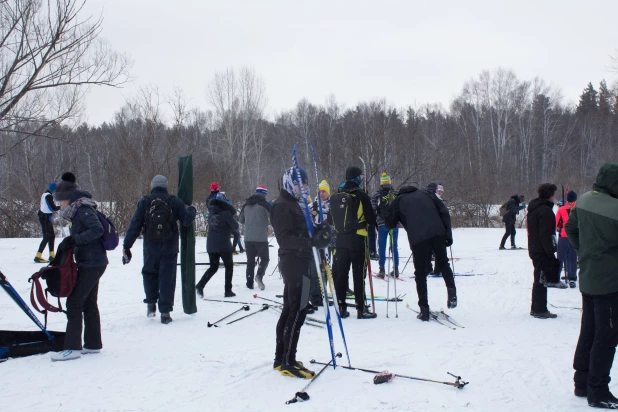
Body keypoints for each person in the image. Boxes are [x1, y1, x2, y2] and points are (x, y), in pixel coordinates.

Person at [566, 163, 618, 407]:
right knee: (606, 336)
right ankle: (597, 390)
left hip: (587, 278)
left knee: (588, 330)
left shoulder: (583, 200)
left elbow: (569, 228)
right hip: (609, 283)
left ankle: (581, 382)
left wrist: (583, 251)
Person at [271, 166, 329, 378]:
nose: (302, 188)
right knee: (298, 310)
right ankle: (288, 360)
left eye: (304, 184)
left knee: (290, 310)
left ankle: (282, 357)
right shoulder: (281, 205)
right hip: (293, 262)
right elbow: (285, 238)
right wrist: (309, 242)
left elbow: (303, 230)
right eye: (298, 184)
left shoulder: (294, 204)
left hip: (300, 260)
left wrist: (320, 231)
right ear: (289, 182)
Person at [50, 172, 108, 361]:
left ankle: (73, 348)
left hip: (92, 263)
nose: (59, 205)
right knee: (88, 302)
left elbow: (97, 229)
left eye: (60, 201)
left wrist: (75, 239)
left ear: (67, 198)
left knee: (74, 302)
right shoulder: (78, 208)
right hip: (92, 261)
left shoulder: (82, 209)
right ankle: (92, 344)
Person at [123, 175, 197, 324]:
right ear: (166, 186)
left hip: (150, 246)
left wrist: (127, 245)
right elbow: (187, 220)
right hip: (170, 247)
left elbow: (135, 224)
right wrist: (193, 209)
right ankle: (165, 312)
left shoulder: (145, 201)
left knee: (149, 274)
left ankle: (151, 304)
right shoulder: (174, 201)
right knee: (167, 278)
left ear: (152, 186)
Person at [385, 183, 456, 321]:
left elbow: (390, 223)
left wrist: (386, 211)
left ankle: (424, 309)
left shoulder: (398, 200)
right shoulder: (427, 194)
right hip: (438, 233)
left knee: (420, 273)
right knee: (443, 263)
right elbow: (444, 212)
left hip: (418, 238)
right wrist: (448, 234)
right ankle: (452, 292)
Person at [330, 166, 377, 319]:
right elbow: (371, 219)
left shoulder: (337, 195)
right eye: (361, 177)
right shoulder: (362, 195)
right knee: (358, 274)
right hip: (358, 239)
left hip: (340, 240)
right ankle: (361, 308)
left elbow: (331, 219)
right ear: (357, 178)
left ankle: (341, 307)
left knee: (341, 274)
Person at [527, 183, 566, 320]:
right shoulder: (544, 211)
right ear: (549, 195)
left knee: (539, 277)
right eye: (553, 194)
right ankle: (539, 309)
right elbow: (545, 234)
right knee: (541, 279)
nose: (555, 197)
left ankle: (537, 307)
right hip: (541, 249)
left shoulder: (535, 208)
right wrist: (550, 252)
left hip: (535, 247)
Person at [196, 193, 238, 298]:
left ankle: (200, 285)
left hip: (211, 245)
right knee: (229, 267)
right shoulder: (226, 214)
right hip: (224, 245)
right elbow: (235, 226)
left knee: (213, 267)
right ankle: (228, 290)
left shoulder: (211, 213)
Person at [239, 186, 271, 290]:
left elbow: (241, 220)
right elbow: (273, 215)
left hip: (248, 237)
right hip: (261, 237)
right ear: (264, 194)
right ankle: (259, 275)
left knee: (250, 261)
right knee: (265, 258)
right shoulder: (264, 204)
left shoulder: (246, 205)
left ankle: (249, 283)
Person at [371, 172, 399, 278]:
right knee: (394, 246)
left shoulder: (377, 195)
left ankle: (382, 269)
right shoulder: (396, 194)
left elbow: (373, 209)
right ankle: (396, 269)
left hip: (382, 224)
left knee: (382, 246)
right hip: (394, 224)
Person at [556, 190, 578, 288]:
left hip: (564, 236)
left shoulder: (561, 210)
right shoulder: (579, 208)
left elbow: (556, 224)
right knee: (573, 258)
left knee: (560, 258)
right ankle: (572, 277)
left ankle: (556, 276)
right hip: (575, 237)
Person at [35, 182, 60, 263]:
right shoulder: (48, 196)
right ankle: (38, 256)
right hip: (45, 218)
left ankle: (52, 255)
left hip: (45, 217)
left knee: (52, 236)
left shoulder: (45, 194)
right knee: (46, 237)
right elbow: (52, 208)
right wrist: (60, 207)